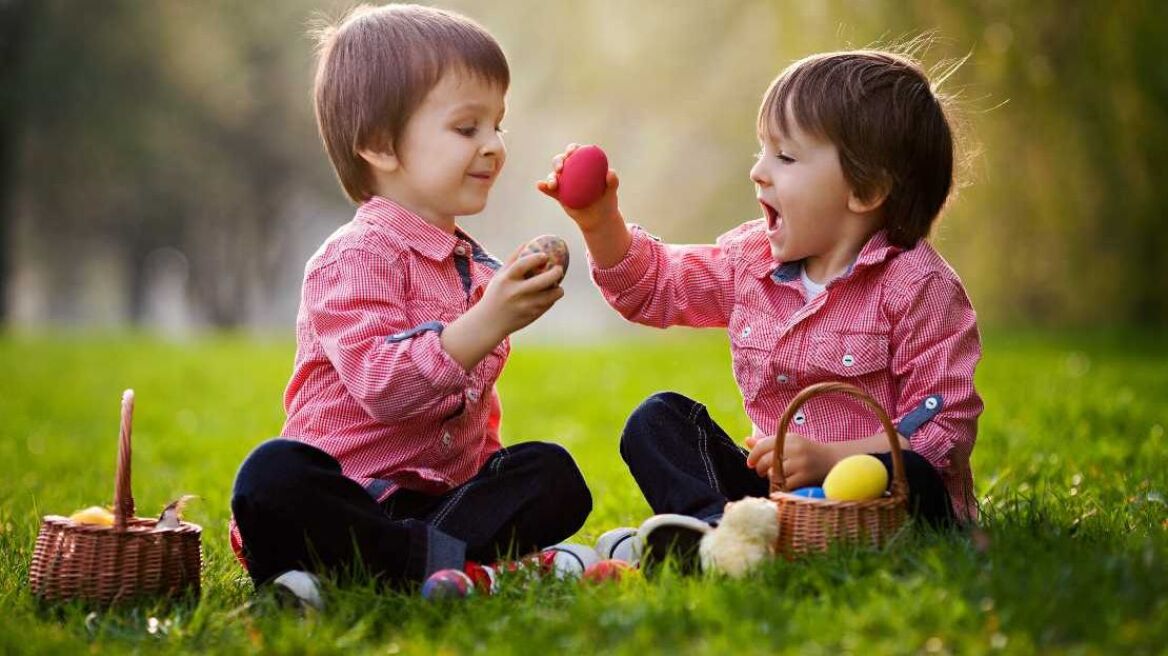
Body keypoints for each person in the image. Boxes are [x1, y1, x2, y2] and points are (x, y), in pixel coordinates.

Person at [540, 49, 982, 569]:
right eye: (762, 150)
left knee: (922, 472)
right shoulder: (750, 259)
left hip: (885, 499)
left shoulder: (918, 287)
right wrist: (599, 222)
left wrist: (831, 458)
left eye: (785, 158)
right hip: (779, 497)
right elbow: (657, 285)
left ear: (866, 190)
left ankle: (736, 538)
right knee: (656, 421)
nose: (758, 172)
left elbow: (944, 432)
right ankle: (715, 534)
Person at [229, 3, 591, 606]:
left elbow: (477, 419)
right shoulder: (353, 258)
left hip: (440, 502)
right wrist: (486, 322)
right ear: (378, 143)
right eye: (466, 127)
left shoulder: (474, 267)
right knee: (272, 477)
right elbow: (381, 385)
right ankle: (440, 562)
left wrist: (494, 479)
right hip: (347, 495)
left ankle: (396, 564)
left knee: (554, 477)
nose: (494, 146)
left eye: (498, 125)